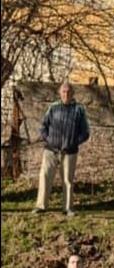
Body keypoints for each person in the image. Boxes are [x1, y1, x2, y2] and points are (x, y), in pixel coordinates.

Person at [33, 82, 91, 216]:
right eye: (64, 92)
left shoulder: (79, 110)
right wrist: (48, 139)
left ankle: (68, 208)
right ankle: (41, 206)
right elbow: (43, 126)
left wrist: (74, 142)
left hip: (69, 152)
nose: (66, 94)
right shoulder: (53, 108)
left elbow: (85, 132)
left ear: (73, 94)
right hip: (50, 150)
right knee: (45, 176)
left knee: (68, 180)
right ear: (60, 93)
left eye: (69, 92)